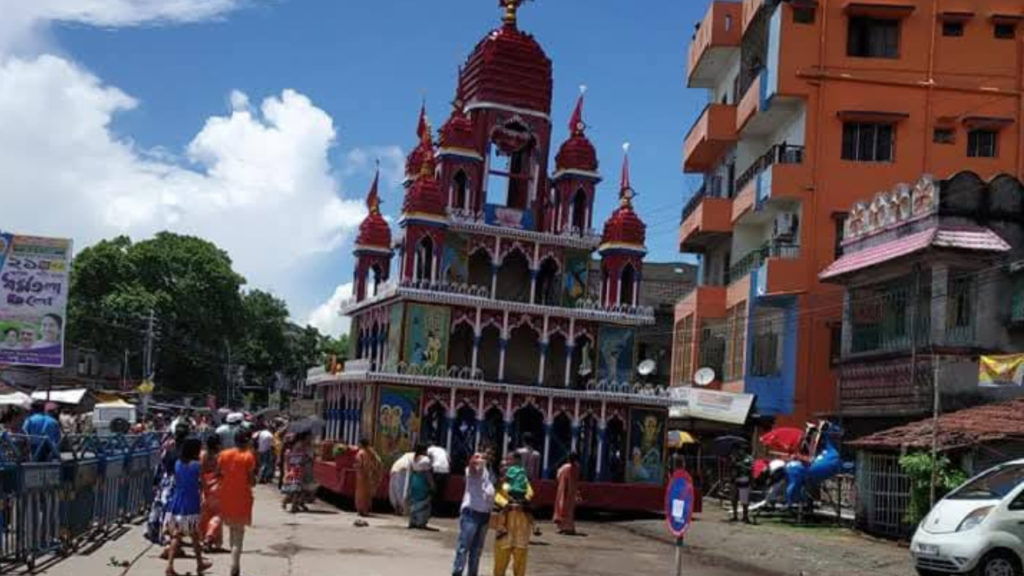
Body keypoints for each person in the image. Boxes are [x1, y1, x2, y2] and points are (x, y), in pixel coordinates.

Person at [163, 437, 210, 576]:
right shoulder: (196, 465)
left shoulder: (178, 463)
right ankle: (172, 566)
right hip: (191, 503)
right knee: (185, 534)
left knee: (186, 535)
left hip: (177, 500)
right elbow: (203, 483)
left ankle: (199, 563)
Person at [218, 428, 257, 576]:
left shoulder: (224, 454)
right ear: (246, 441)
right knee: (239, 533)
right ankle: (235, 564)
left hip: (226, 496)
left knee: (231, 530)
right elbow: (251, 481)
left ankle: (234, 561)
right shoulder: (248, 456)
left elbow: (219, 473)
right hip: (242, 497)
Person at [451, 453, 494, 576]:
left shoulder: (488, 473)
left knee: (477, 550)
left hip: (485, 514)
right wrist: (473, 463)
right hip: (471, 513)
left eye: (483, 457)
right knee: (464, 546)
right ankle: (457, 572)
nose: (481, 459)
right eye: (477, 457)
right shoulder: (471, 471)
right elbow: (472, 469)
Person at [493, 453, 534, 576]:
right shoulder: (499, 483)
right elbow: (495, 495)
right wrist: (506, 503)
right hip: (504, 526)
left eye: (508, 465)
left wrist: (522, 501)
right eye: (503, 466)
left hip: (521, 525)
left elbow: (530, 493)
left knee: (520, 558)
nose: (505, 468)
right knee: (500, 559)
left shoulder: (523, 480)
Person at [199, 434, 223, 552]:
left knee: (205, 515)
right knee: (218, 515)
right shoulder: (221, 457)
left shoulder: (202, 455)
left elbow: (200, 471)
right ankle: (209, 537)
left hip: (204, 487)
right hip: (217, 487)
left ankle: (205, 538)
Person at [515, 434, 542, 536]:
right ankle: (532, 526)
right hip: (530, 481)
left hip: (519, 480)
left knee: (516, 505)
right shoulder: (536, 454)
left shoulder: (519, 452)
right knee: (527, 506)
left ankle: (518, 527)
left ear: (523, 441)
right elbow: (536, 471)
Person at [282, 432, 313, 512]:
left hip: (300, 472)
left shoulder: (303, 452)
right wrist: (286, 472)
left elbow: (306, 460)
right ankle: (291, 505)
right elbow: (286, 463)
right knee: (295, 490)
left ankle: (291, 504)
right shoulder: (289, 452)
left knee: (296, 490)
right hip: (293, 472)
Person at [406, 443, 434, 529]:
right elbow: (428, 474)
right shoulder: (426, 460)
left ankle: (413, 521)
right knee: (424, 501)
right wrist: (432, 484)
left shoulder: (412, 458)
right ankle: (421, 522)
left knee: (414, 501)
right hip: (422, 481)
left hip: (415, 480)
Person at [354, 438, 382, 520]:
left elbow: (362, 464)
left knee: (361, 493)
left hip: (362, 475)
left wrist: (357, 466)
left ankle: (361, 510)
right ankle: (364, 509)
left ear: (361, 444)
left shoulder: (361, 453)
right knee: (366, 493)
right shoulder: (370, 452)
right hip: (367, 475)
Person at [553, 452, 581, 535]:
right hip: (571, 491)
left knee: (562, 508)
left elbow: (558, 476)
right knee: (569, 510)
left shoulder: (565, 467)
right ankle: (568, 527)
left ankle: (563, 527)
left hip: (563, 489)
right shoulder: (576, 467)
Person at [731, 448, 753, 523]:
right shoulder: (735, 457)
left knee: (744, 499)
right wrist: (733, 463)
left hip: (744, 479)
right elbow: (731, 468)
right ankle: (735, 516)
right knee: (734, 498)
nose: (739, 451)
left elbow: (751, 469)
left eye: (741, 449)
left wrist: (741, 465)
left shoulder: (749, 458)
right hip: (735, 479)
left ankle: (745, 517)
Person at [427, 444, 450, 513]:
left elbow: (427, 460)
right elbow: (449, 460)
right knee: (441, 491)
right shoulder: (443, 450)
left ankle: (432, 509)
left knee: (433, 489)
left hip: (437, 469)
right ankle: (439, 510)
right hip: (446, 470)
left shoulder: (429, 450)